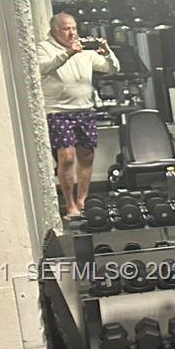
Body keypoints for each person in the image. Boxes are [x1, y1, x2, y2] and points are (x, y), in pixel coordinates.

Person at [38, 11, 118, 218]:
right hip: (58, 112)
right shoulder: (43, 48)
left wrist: (107, 52)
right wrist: (67, 54)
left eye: (74, 28)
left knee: (87, 156)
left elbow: (112, 69)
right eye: (66, 29)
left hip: (84, 110)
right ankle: (70, 205)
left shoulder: (84, 51)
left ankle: (82, 201)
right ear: (54, 31)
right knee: (65, 157)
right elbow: (41, 69)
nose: (72, 33)